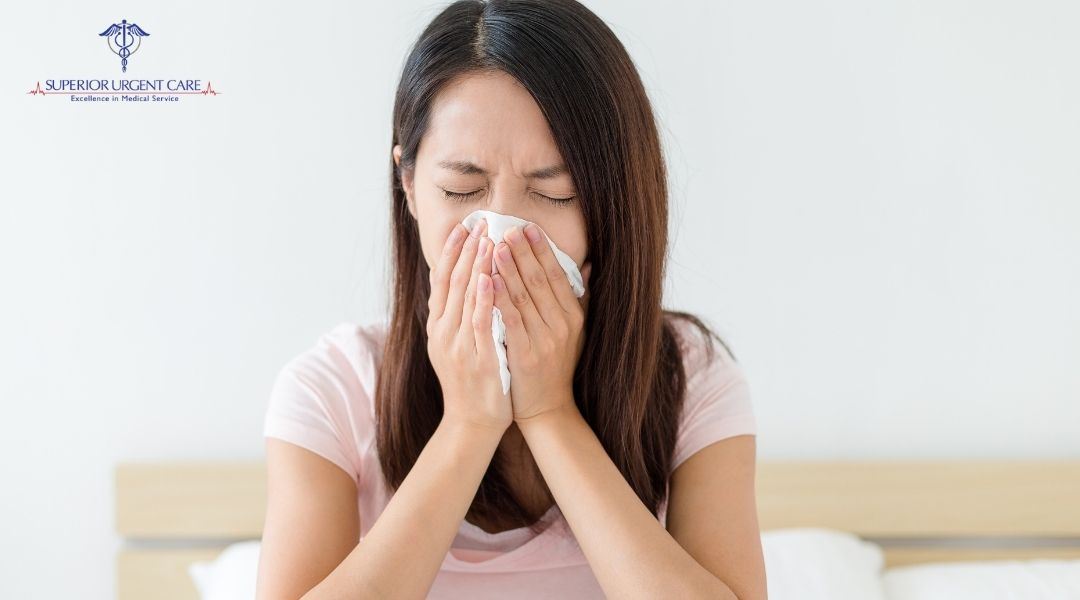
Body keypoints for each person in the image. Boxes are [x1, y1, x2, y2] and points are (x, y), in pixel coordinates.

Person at [256, 1, 766, 598]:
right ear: (410, 188)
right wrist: (469, 425)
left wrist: (550, 414)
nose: (501, 236)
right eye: (462, 189)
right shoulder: (332, 391)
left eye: (554, 193)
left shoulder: (691, 378)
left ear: (613, 201)